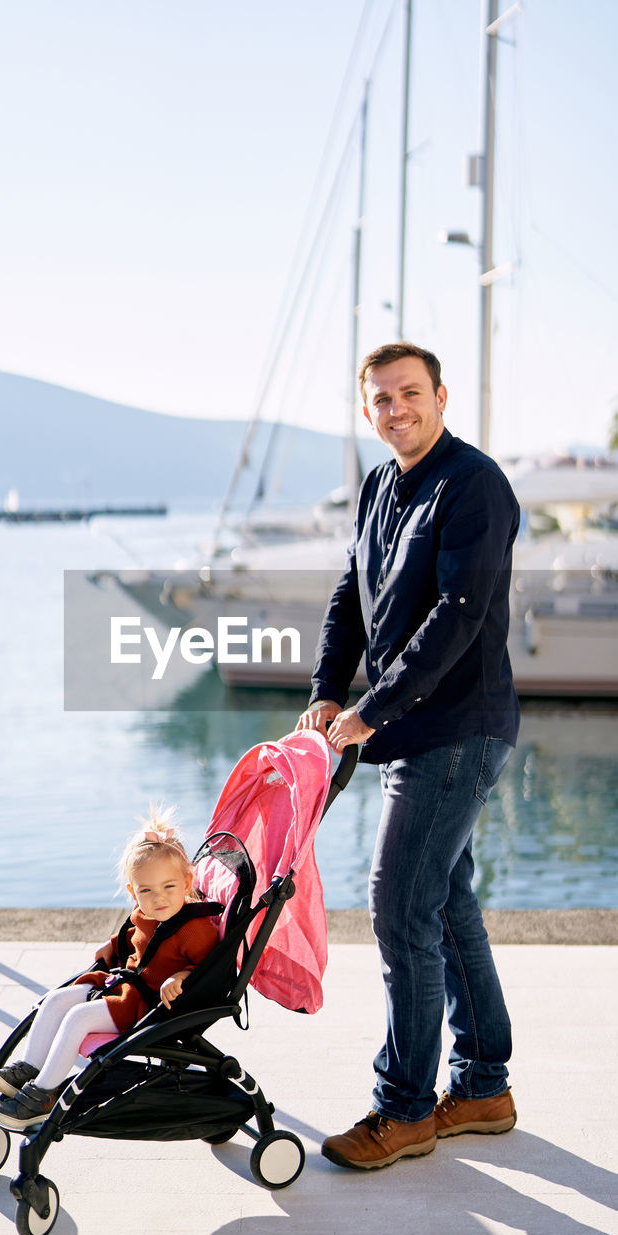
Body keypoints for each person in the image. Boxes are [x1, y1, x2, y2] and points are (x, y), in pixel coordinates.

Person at [297, 341, 520, 1170]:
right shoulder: (379, 484)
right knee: (445, 904)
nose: (396, 409)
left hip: (459, 728)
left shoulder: (474, 486)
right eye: (381, 399)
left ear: (439, 396)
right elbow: (347, 593)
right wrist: (328, 689)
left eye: (409, 394)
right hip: (411, 730)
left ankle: (404, 1108)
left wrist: (370, 712)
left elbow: (457, 618)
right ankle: (483, 1087)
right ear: (368, 412)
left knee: (397, 907)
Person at [0, 808, 220, 1131]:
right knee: (56, 1000)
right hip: (123, 985)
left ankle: (44, 1096)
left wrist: (180, 978)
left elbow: (206, 970)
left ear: (187, 882)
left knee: (78, 1018)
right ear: (134, 893)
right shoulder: (145, 913)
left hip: (147, 1005)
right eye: (146, 891)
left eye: (168, 887)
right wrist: (112, 948)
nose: (158, 898)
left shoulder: (195, 928)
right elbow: (135, 938)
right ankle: (29, 1068)